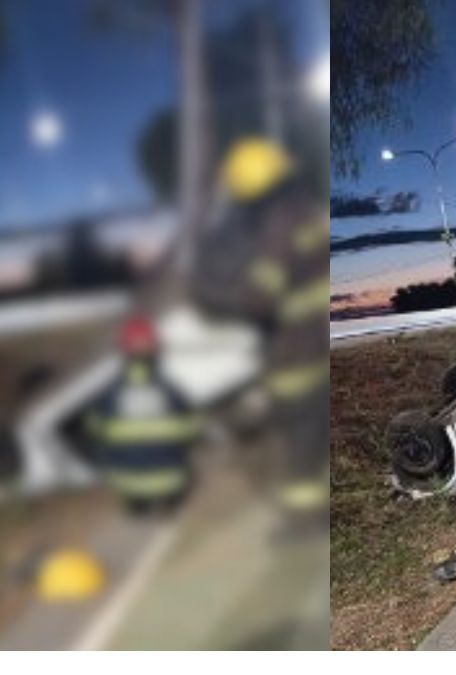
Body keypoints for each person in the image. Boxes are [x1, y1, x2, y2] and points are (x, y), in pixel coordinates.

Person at [197, 137, 330, 532]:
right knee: (310, 441)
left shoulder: (278, 225)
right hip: (317, 347)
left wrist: (209, 295)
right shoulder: (307, 214)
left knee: (300, 449)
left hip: (298, 357)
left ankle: (303, 522)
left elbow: (258, 298)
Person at [84, 315, 202, 515]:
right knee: (187, 469)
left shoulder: (109, 392)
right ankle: (170, 504)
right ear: (155, 348)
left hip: (126, 482)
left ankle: (139, 506)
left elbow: (93, 429)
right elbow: (192, 426)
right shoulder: (168, 389)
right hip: (170, 478)